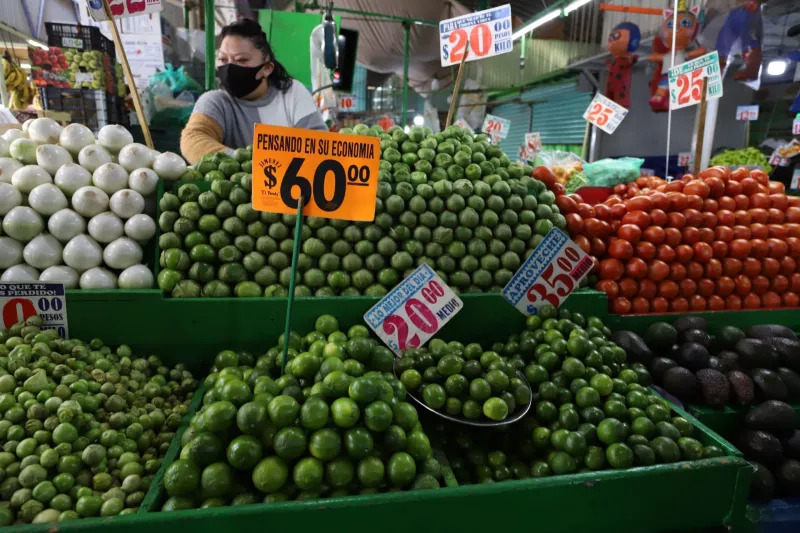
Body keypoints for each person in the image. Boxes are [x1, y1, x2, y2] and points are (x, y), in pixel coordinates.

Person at [180, 18, 326, 164]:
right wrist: (246, 164)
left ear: (267, 68)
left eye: (242, 60)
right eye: (223, 60)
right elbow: (194, 138)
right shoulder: (216, 102)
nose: (230, 67)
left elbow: (320, 144)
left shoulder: (292, 93)